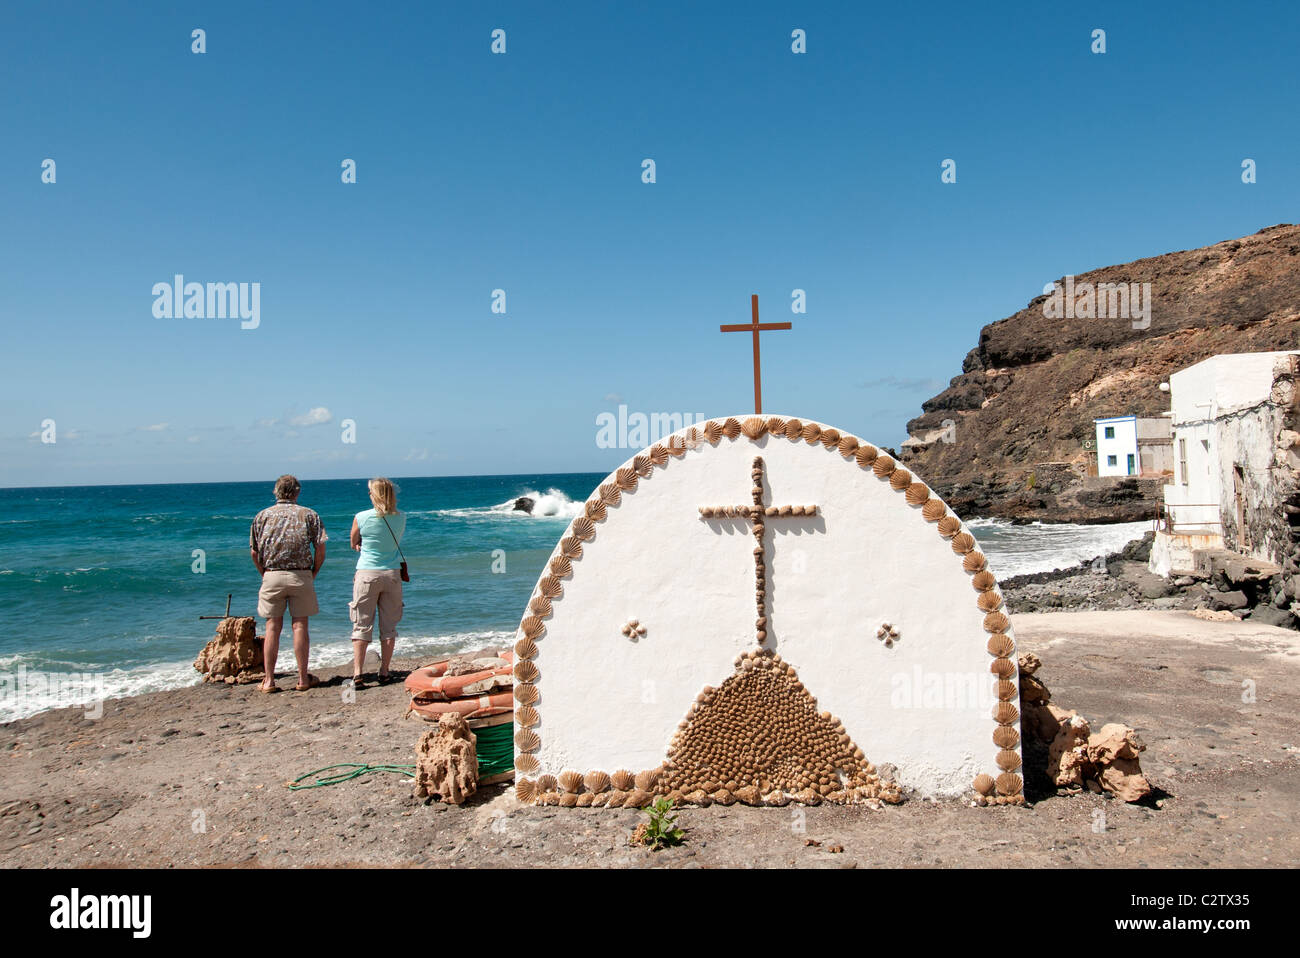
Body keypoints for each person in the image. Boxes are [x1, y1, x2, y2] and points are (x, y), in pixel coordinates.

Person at [249, 474, 327, 692]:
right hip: (301, 574)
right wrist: (314, 572)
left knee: (272, 626)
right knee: (300, 624)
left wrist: (263, 572)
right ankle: (303, 678)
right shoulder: (308, 514)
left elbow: (255, 552)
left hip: (272, 574)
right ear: (297, 492)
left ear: (276, 492)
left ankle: (269, 680)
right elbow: (320, 548)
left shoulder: (262, 516)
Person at [348, 477, 405, 688]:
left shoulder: (361, 517)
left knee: (361, 623)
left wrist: (361, 545)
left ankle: (358, 673)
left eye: (371, 492)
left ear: (376, 495)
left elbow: (354, 542)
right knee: (389, 626)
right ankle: (384, 671)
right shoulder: (401, 518)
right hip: (391, 573)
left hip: (367, 573)